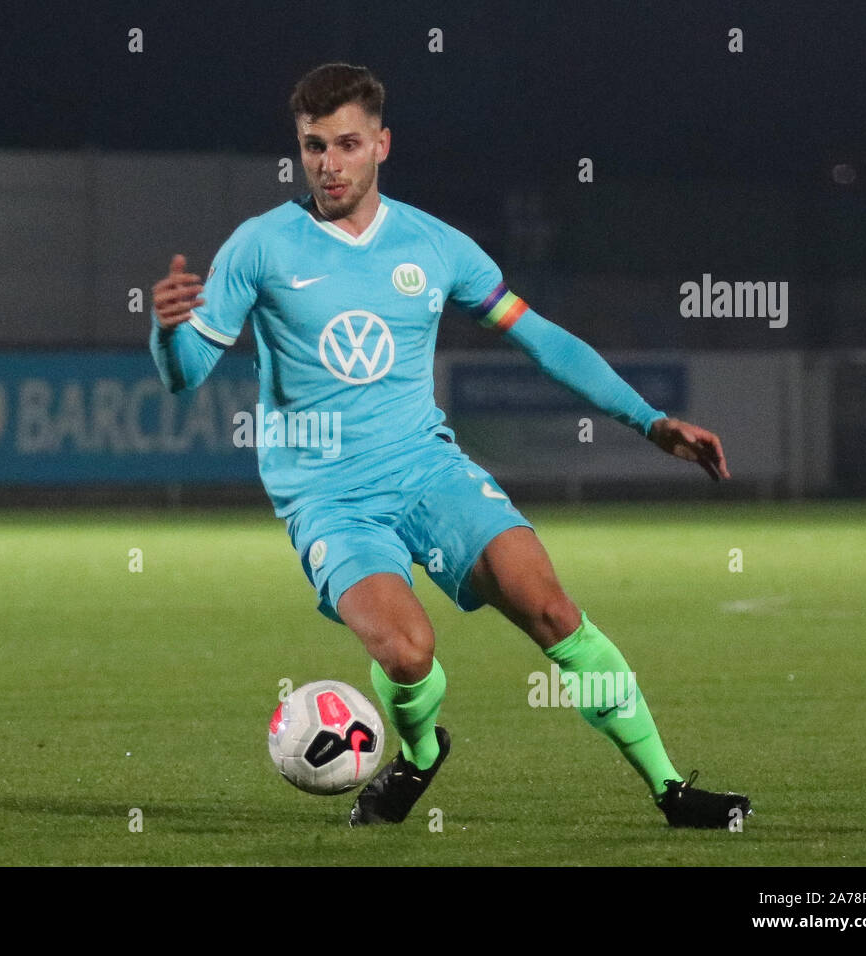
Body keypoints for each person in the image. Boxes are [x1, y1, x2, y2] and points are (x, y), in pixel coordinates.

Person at [149, 62, 750, 829]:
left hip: (429, 471)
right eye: (312, 147)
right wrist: (167, 336)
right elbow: (186, 373)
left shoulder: (435, 247)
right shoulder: (261, 247)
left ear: (382, 145)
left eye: (346, 144)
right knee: (407, 653)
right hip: (329, 498)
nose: (328, 163)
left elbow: (541, 340)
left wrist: (647, 419)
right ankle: (424, 751)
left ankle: (670, 789)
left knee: (556, 613)